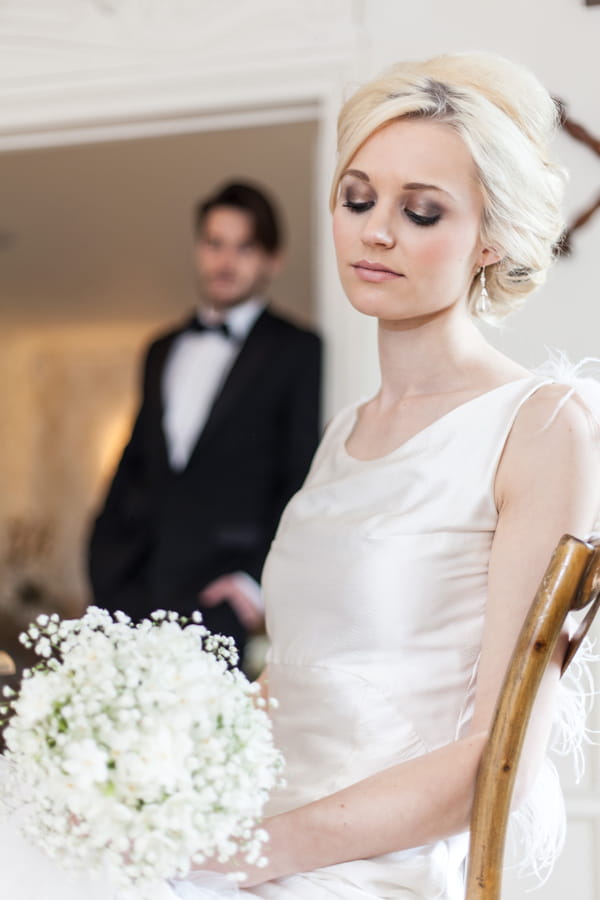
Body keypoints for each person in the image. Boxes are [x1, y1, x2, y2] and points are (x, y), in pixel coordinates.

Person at [0, 51, 598, 900]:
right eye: (357, 200)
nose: (376, 231)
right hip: (255, 829)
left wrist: (250, 851)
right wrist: (150, 790)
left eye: (421, 211)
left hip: (365, 870)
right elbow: (296, 677)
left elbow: (493, 759)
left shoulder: (542, 427)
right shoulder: (348, 431)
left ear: (491, 236)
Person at [88, 181, 322, 662]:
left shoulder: (297, 350)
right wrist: (102, 556)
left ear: (272, 260)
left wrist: (253, 579)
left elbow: (300, 474)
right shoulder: (159, 349)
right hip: (131, 586)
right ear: (199, 249)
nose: (225, 260)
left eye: (244, 247)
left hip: (219, 593)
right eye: (215, 243)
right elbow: (136, 460)